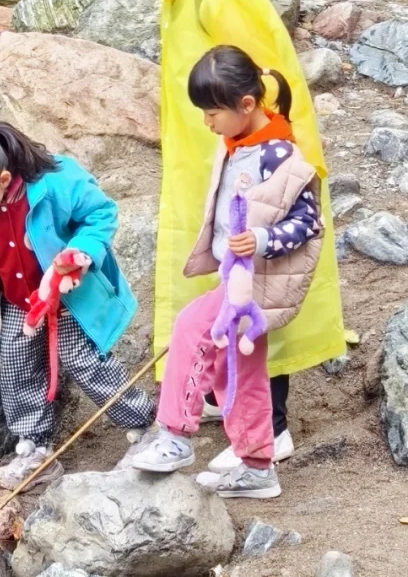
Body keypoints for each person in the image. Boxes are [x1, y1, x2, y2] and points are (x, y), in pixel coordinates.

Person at [102, 0, 344, 474]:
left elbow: (268, 83)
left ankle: (274, 429)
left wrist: (263, 171)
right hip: (214, 166)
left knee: (259, 289)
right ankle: (220, 392)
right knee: (217, 284)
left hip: (254, 172)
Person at [0, 119, 155, 490]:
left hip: (67, 294)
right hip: (17, 300)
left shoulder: (56, 183)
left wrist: (81, 253)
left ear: (2, 180)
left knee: (84, 361)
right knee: (16, 363)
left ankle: (144, 426)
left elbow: (101, 214)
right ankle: (34, 450)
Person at [131, 45, 324, 498]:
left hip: (255, 284)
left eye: (213, 112)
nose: (207, 123)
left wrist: (259, 241)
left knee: (192, 327)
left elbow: (308, 221)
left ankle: (175, 435)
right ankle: (258, 467)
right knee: (238, 370)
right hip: (235, 276)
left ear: (247, 105)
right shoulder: (237, 141)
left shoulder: (279, 154)